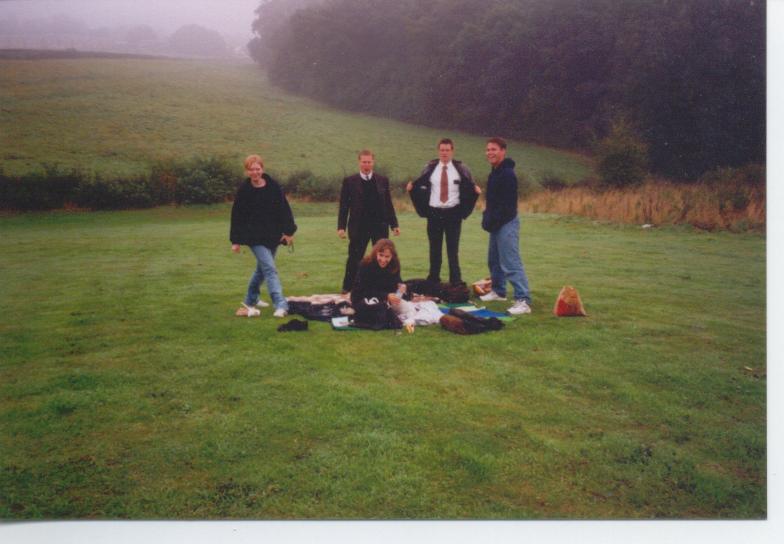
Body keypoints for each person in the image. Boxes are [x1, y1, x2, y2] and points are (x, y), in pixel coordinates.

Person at [406, 138, 481, 284]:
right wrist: (412, 189)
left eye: (447, 150)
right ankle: (433, 280)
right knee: (435, 249)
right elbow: (421, 185)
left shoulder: (461, 169)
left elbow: (469, 187)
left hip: (453, 214)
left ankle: (455, 281)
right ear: (438, 151)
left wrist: (475, 193)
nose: (444, 153)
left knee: (452, 250)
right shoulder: (429, 168)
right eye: (442, 150)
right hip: (434, 213)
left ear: (452, 151)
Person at [230, 154, 297, 318]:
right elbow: (237, 216)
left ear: (262, 169)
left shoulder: (273, 187)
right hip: (254, 237)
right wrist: (236, 240)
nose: (255, 172)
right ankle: (280, 304)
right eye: (251, 170)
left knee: (261, 270)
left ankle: (250, 299)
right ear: (247, 172)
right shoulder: (244, 191)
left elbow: (284, 210)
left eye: (257, 169)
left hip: (273, 236)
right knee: (269, 268)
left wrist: (288, 232)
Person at [480, 137, 532, 315]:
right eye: (488, 150)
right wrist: (487, 217)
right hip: (496, 223)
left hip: (507, 222)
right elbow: (492, 201)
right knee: (494, 260)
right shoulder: (494, 172)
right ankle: (498, 291)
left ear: (503, 151)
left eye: (494, 149)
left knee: (510, 262)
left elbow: (507, 205)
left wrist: (493, 220)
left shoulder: (508, 174)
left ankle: (523, 300)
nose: (490, 153)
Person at [338, 150, 400, 293]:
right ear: (359, 162)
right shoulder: (349, 181)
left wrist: (394, 224)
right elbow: (344, 206)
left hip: (379, 225)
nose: (366, 164)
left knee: (383, 257)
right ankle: (348, 287)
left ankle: (382, 286)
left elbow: (388, 204)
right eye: (364, 162)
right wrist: (341, 227)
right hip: (359, 226)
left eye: (369, 162)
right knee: (354, 258)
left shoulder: (382, 180)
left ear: (373, 162)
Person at [350, 239, 406, 329]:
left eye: (387, 257)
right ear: (376, 253)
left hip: (386, 300)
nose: (383, 260)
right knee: (382, 313)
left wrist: (401, 286)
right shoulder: (366, 265)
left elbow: (398, 281)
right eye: (381, 255)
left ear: (392, 256)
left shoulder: (395, 265)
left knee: (408, 309)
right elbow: (364, 291)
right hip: (364, 299)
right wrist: (386, 296)